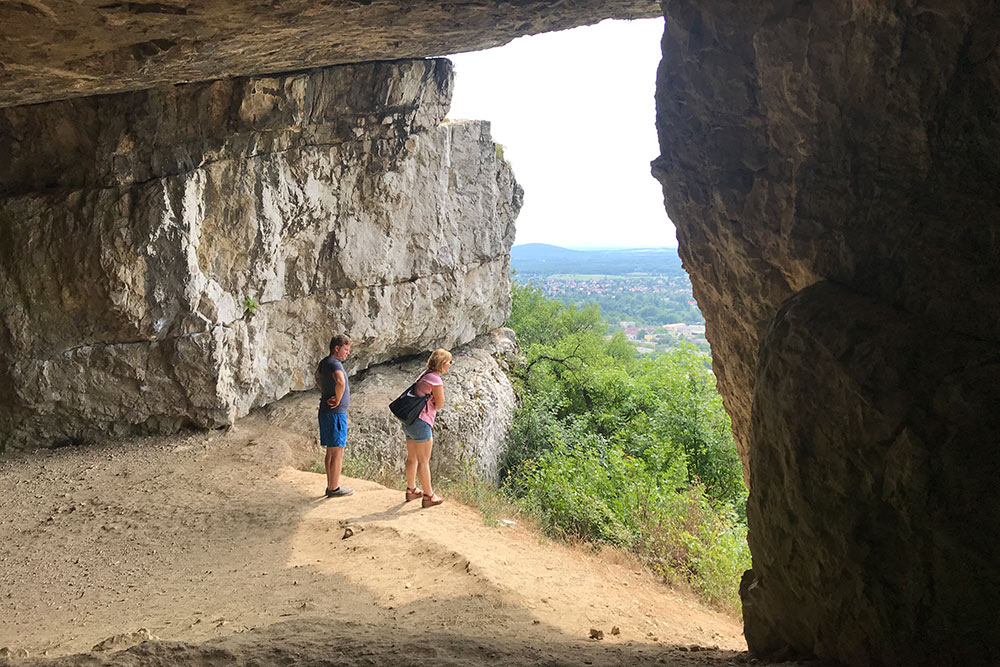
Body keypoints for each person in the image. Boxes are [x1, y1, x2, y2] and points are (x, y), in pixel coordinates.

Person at [403, 348, 452, 508]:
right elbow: (440, 403)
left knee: (412, 458)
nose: (450, 365)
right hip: (422, 422)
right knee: (424, 461)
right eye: (449, 362)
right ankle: (429, 495)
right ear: (443, 363)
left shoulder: (423, 375)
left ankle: (411, 490)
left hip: (410, 421)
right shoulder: (435, 380)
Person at [315, 334, 354, 498]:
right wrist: (337, 398)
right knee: (337, 451)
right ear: (336, 348)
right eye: (345, 350)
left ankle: (331, 485)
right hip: (335, 414)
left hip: (326, 411)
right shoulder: (334, 363)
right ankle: (334, 488)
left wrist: (325, 391)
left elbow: (317, 376)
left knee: (331, 451)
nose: (347, 353)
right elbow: (340, 381)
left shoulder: (324, 363)